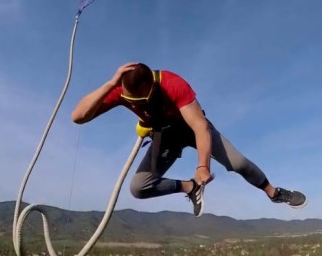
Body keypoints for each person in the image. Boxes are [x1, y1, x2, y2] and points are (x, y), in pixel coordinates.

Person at [71, 62, 306, 217]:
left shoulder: (172, 83)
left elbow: (200, 126)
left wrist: (203, 166)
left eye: (144, 98)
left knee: (238, 163)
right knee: (139, 188)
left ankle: (274, 193)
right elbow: (78, 117)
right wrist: (110, 84)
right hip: (164, 137)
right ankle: (190, 187)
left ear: (152, 84)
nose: (138, 103)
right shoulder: (120, 90)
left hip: (190, 128)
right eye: (134, 100)